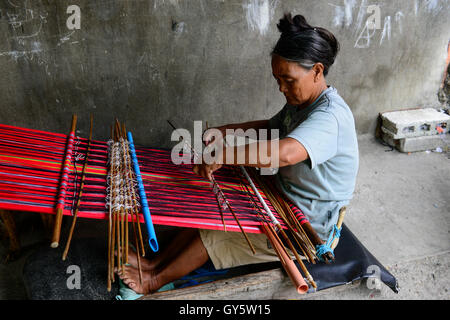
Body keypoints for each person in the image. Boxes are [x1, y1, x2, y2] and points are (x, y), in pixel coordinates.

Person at [116, 13, 359, 294]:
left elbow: (287, 152)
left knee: (219, 226)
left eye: (288, 80)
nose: (281, 87)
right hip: (282, 196)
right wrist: (226, 131)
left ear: (317, 71)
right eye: (277, 78)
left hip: (305, 223)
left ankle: (154, 281)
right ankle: (153, 263)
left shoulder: (331, 117)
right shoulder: (301, 102)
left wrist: (224, 154)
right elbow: (272, 127)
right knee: (209, 202)